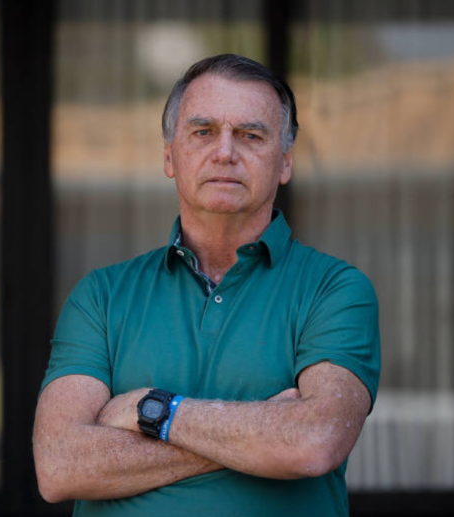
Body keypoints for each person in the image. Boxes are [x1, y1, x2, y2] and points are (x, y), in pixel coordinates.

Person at [32, 54, 380, 517]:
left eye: (251, 135)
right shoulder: (101, 296)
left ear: (285, 161)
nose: (225, 152)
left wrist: (151, 411)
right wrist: (262, 434)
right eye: (203, 132)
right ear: (169, 156)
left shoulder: (334, 290)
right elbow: (59, 466)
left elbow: (315, 441)